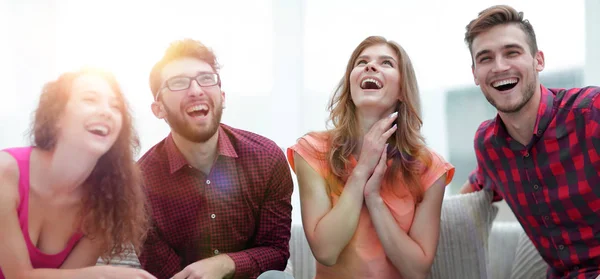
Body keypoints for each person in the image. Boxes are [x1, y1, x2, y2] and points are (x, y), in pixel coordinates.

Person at [287, 36, 455, 279]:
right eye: (362, 61)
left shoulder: (429, 167)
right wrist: (361, 171)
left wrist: (373, 198)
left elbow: (416, 270)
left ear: (401, 91)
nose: (370, 66)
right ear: (350, 84)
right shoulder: (313, 151)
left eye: (386, 63)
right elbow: (325, 251)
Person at [459, 4, 600, 279]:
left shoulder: (591, 113)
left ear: (538, 60)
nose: (500, 67)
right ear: (475, 74)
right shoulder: (489, 145)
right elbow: (476, 187)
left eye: (512, 52)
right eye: (485, 58)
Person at [138, 38, 294, 279]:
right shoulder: (139, 183)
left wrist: (224, 263)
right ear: (158, 109)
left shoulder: (266, 157)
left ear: (222, 96)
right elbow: (164, 270)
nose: (196, 90)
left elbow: (276, 252)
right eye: (178, 83)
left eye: (206, 79)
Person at [0, 69, 154, 279]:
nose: (106, 112)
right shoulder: (5, 173)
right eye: (90, 99)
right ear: (56, 116)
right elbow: (17, 276)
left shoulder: (105, 206)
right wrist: (105, 275)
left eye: (115, 106)